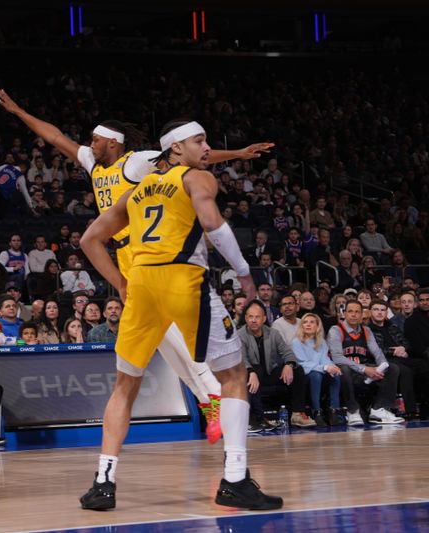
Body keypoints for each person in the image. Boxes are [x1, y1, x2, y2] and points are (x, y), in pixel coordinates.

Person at [77, 120, 281, 510]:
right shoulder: (197, 180)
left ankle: (103, 483)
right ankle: (235, 478)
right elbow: (214, 227)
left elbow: (89, 240)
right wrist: (243, 273)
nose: (207, 148)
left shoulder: (135, 193)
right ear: (175, 149)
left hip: (141, 287)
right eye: (199, 141)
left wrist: (120, 283)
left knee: (125, 386)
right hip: (183, 281)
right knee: (235, 375)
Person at [239, 301, 315, 431]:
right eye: (250, 317)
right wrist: (250, 371)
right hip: (251, 375)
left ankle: (297, 414)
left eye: (257, 317)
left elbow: (287, 352)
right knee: (254, 370)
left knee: (297, 369)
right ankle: (255, 418)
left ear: (264, 318)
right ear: (246, 318)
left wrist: (289, 365)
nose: (253, 320)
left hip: (269, 372)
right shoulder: (240, 335)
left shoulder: (273, 333)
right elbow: (241, 359)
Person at [326, 300, 404, 425]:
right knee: (344, 369)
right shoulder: (335, 330)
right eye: (350, 311)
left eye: (357, 312)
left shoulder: (366, 330)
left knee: (393, 368)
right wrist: (364, 369)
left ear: (362, 314)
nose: (354, 314)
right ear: (344, 313)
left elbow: (377, 353)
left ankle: (378, 410)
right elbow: (337, 357)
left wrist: (381, 368)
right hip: (348, 372)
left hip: (364, 371)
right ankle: (353, 411)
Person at [370, 299, 429, 419]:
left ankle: (425, 405)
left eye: (382, 310)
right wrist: (393, 351)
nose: (380, 312)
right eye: (376, 309)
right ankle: (410, 410)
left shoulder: (392, 326)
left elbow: (406, 342)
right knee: (405, 371)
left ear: (387, 313)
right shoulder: (368, 329)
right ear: (370, 312)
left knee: (424, 365)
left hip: (401, 356)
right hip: (384, 360)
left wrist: (403, 348)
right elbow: (375, 349)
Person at [291, 313, 344, 427]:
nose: (308, 325)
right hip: (305, 375)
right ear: (302, 326)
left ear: (317, 326)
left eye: (312, 322)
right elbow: (302, 364)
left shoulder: (322, 342)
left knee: (335, 374)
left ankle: (334, 410)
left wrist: (332, 366)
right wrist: (325, 368)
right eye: (305, 322)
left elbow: (325, 359)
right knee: (316, 375)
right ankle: (316, 411)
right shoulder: (296, 342)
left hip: (319, 371)